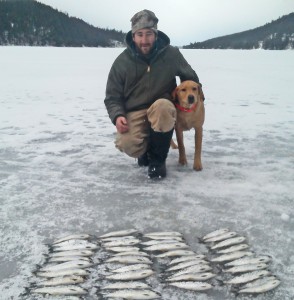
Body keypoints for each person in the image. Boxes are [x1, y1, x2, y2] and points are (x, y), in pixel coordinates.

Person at [104, 9, 201, 179]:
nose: (144, 40)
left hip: (162, 106)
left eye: (149, 34)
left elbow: (190, 78)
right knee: (126, 143)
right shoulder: (122, 62)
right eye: (140, 34)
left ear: (156, 35)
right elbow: (112, 96)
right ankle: (145, 150)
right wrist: (117, 115)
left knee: (163, 107)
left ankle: (158, 161)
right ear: (133, 36)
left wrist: (193, 99)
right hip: (135, 111)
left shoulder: (171, 54)